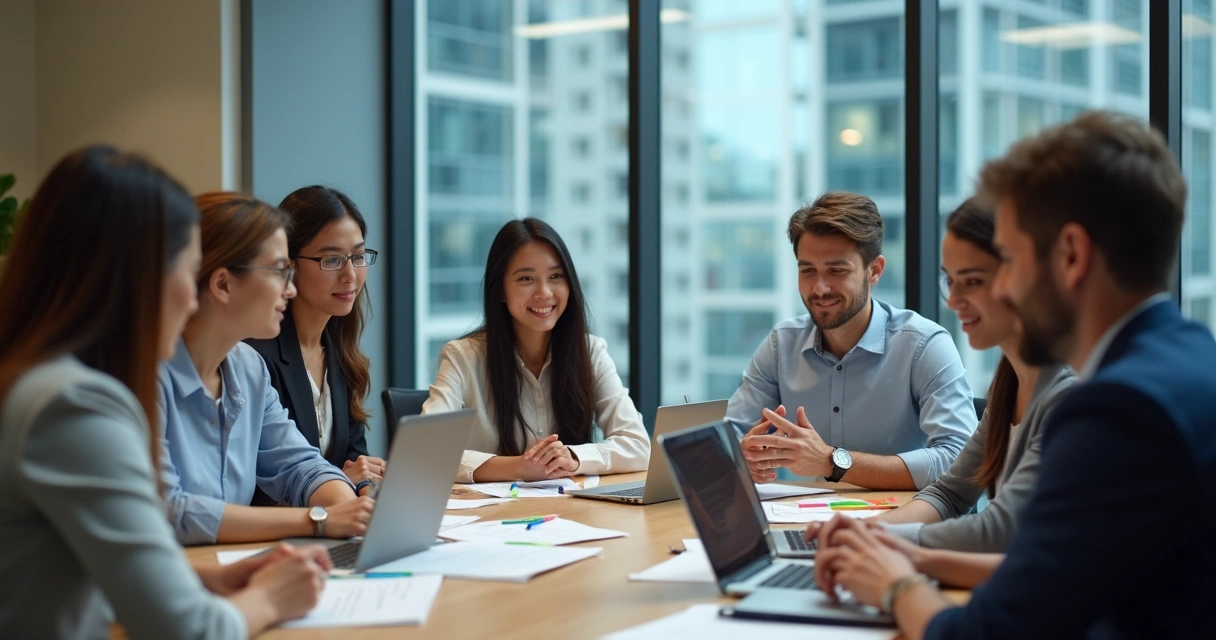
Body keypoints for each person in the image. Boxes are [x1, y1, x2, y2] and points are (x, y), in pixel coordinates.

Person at [813, 111, 1216, 639]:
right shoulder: (1191, 358)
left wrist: (896, 587)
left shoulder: (1119, 412)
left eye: (1013, 261)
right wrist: (907, 555)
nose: (1004, 291)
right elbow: (1063, 574)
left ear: (1071, 256)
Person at [0, 145, 330, 638]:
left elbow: (71, 565)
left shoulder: (37, 381)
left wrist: (203, 578)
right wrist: (270, 597)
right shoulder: (74, 406)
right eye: (186, 268)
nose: (189, 294)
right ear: (136, 276)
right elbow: (188, 631)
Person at [851, 198, 1074, 553]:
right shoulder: (1009, 385)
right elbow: (950, 493)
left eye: (971, 281)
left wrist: (875, 539)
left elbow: (1000, 530)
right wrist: (863, 530)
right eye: (949, 281)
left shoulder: (1068, 396)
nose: (952, 300)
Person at [160, 192, 373, 545]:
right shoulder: (143, 376)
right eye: (278, 272)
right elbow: (168, 511)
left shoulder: (248, 369)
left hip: (228, 571)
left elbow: (301, 466)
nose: (289, 290)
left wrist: (350, 510)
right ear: (224, 284)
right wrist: (318, 519)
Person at [733, 192, 977, 491]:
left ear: (874, 271)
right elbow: (730, 436)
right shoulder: (781, 345)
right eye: (807, 271)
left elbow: (959, 461)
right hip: (810, 523)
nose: (819, 288)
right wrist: (743, 453)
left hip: (902, 527)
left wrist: (831, 461)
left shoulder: (924, 345)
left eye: (837, 271)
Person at [423, 218, 649, 482]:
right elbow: (427, 453)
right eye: (526, 278)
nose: (544, 292)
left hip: (571, 515)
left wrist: (573, 458)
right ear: (501, 291)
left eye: (555, 277)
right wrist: (521, 466)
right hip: (490, 518)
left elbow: (639, 445)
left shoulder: (590, 352)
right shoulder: (463, 357)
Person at [247, 186, 385, 501]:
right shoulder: (256, 357)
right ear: (289, 265)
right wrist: (344, 481)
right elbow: (259, 485)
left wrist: (366, 483)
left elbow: (355, 459)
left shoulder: (341, 352)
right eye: (333, 259)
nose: (351, 274)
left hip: (335, 528)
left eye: (359, 257)